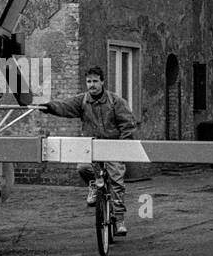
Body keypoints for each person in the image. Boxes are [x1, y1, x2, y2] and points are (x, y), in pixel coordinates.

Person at [38, 66, 138, 235]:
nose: (91, 85)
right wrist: (48, 107)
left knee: (117, 181)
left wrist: (123, 147)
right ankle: (93, 183)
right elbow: (64, 106)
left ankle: (119, 219)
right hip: (91, 147)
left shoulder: (115, 101)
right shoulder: (82, 101)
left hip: (113, 147)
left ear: (102, 82)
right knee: (82, 167)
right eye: (89, 81)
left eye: (95, 81)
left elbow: (128, 124)